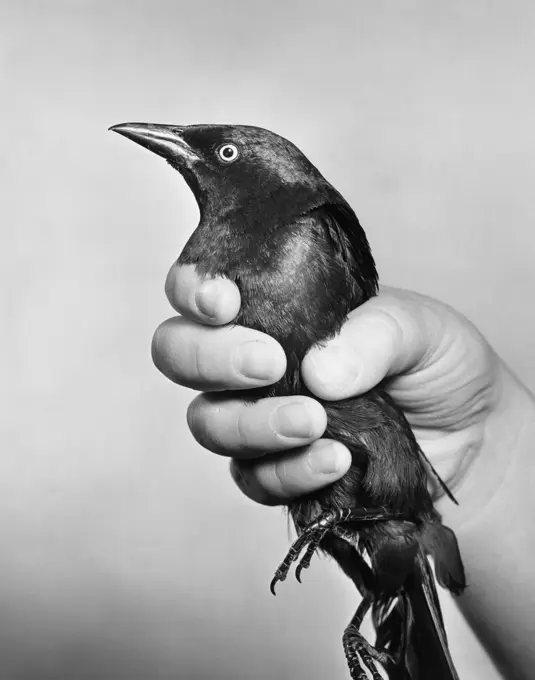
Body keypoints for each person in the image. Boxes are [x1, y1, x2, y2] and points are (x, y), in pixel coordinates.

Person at [152, 262, 535, 680]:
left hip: (388, 500)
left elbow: (401, 514)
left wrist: (482, 444)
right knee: (374, 564)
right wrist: (481, 446)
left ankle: (370, 629)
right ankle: (361, 630)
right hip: (359, 502)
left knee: (384, 548)